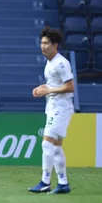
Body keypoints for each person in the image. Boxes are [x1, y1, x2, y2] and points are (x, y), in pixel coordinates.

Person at [29, 27, 75, 194]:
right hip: (53, 107)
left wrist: (47, 91)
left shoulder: (61, 63)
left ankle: (45, 181)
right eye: (41, 43)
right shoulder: (49, 63)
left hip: (61, 109)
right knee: (55, 147)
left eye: (46, 43)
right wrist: (43, 87)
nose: (43, 46)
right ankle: (63, 183)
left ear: (55, 45)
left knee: (46, 144)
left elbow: (70, 87)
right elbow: (56, 85)